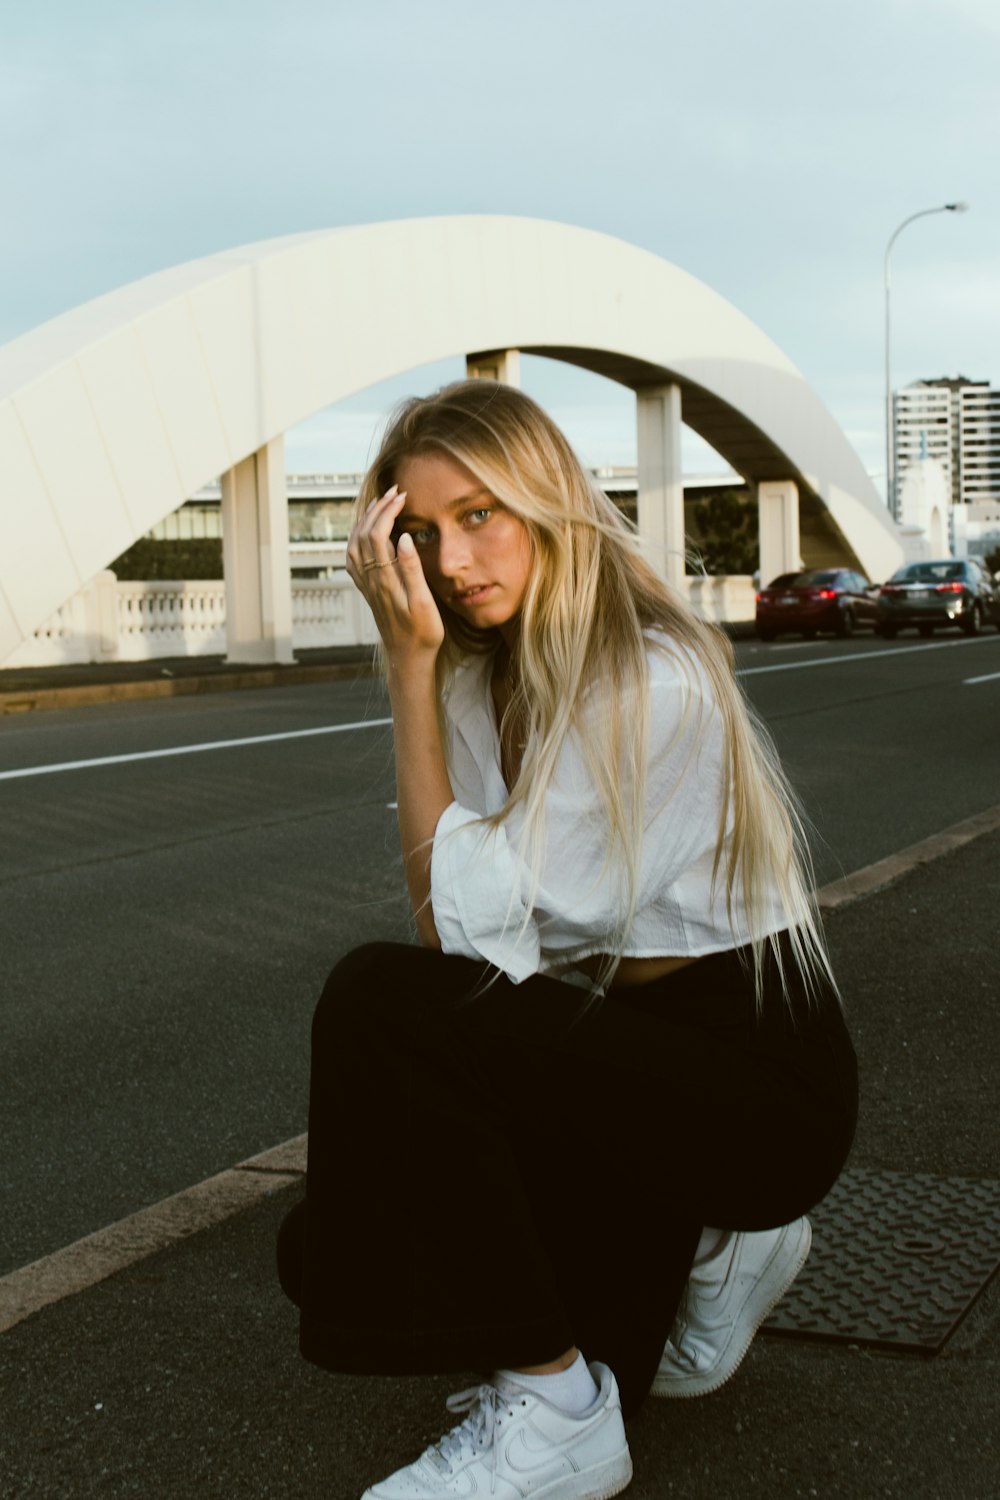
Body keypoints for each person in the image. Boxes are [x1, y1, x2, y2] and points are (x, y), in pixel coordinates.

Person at [276, 380, 858, 1500]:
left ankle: (559, 1409)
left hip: (754, 1078)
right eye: (419, 534)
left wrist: (403, 669)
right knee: (330, 1247)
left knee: (371, 1001)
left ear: (549, 505)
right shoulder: (476, 679)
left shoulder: (653, 677)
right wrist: (418, 674)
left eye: (481, 514)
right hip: (623, 1052)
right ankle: (693, 1246)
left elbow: (457, 955)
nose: (450, 561)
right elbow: (468, 952)